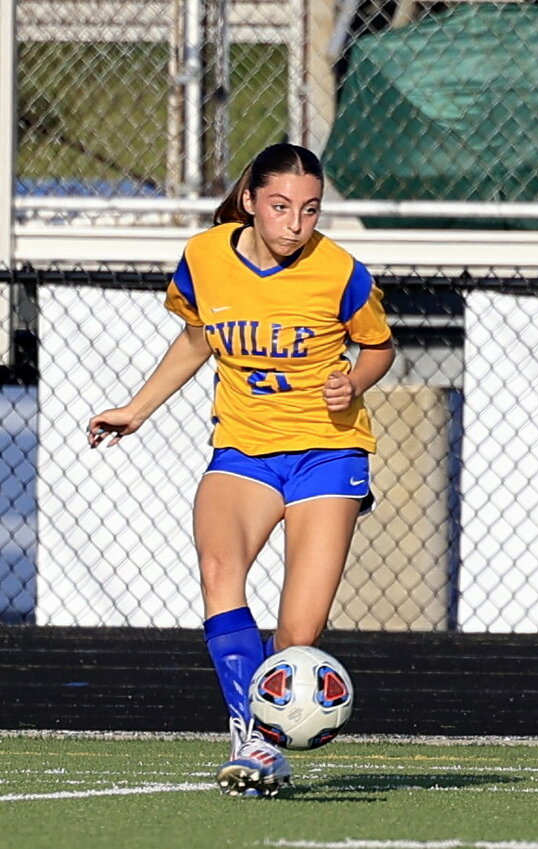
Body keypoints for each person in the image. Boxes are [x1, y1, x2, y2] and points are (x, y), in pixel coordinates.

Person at [87, 143, 394, 797]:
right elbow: (200, 336)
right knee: (219, 571)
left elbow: (379, 346)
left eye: (310, 210)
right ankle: (255, 735)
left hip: (328, 452)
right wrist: (137, 409)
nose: (295, 224)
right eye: (281, 207)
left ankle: (268, 731)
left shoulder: (338, 271)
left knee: (297, 631)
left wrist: (353, 381)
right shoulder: (204, 258)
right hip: (245, 451)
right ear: (250, 201)